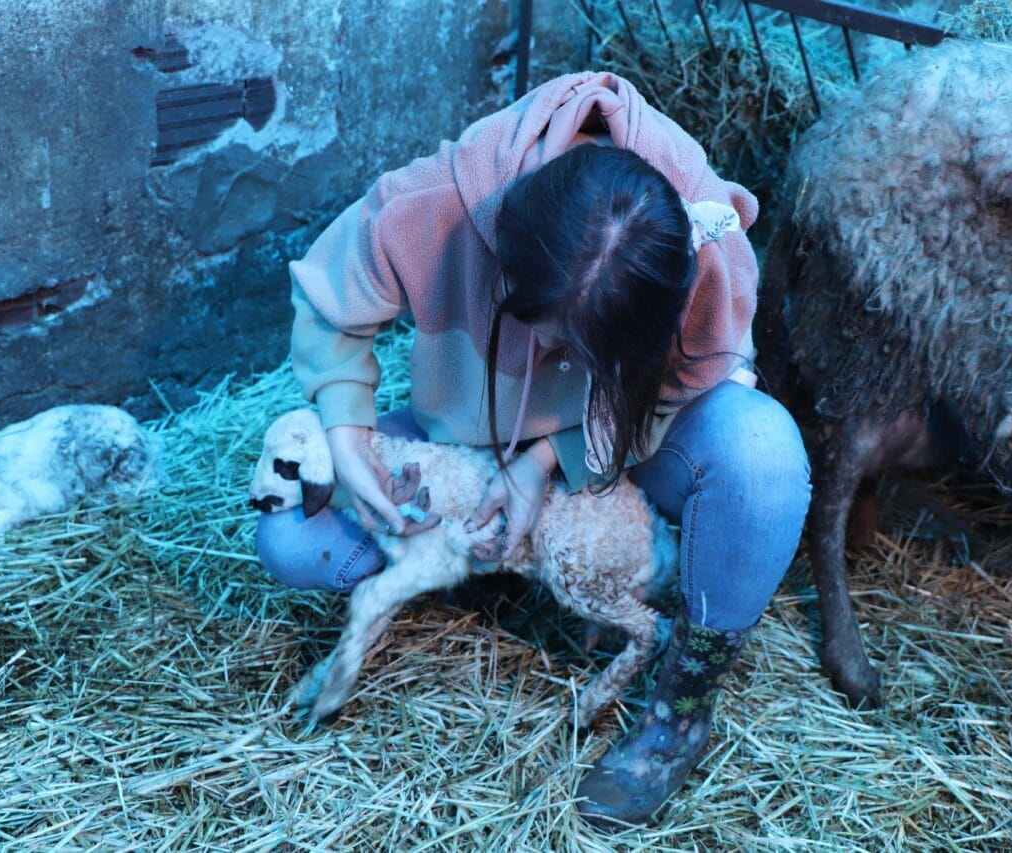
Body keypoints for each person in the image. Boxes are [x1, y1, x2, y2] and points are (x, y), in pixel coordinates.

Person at [255, 71, 811, 828]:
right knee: (289, 537)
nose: (557, 357)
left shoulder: (700, 237)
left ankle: (679, 708)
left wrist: (551, 456)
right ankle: (475, 565)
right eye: (550, 337)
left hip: (624, 449)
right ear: (507, 267)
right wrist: (349, 432)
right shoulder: (438, 204)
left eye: (584, 351)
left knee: (763, 452)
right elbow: (327, 305)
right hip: (465, 446)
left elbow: (690, 382)